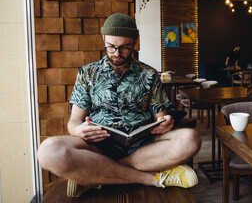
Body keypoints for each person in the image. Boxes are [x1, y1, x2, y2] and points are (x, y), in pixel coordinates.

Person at [37, 13, 202, 198]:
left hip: (142, 146)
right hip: (98, 145)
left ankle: (93, 175)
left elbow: (161, 117)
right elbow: (73, 121)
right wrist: (79, 131)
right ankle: (149, 178)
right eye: (112, 47)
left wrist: (165, 123)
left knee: (190, 139)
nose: (117, 53)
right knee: (48, 151)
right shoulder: (87, 73)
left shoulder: (149, 74)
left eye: (125, 48)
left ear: (134, 42)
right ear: (103, 39)